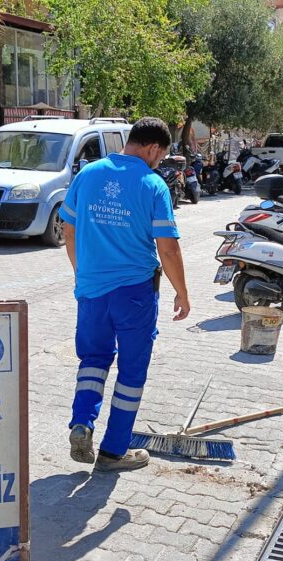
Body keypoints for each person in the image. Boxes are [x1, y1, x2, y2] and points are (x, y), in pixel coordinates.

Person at [61, 117, 190, 472]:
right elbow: (168, 248)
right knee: (131, 372)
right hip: (134, 293)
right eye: (161, 156)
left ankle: (81, 423)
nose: (159, 162)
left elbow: (67, 231)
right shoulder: (153, 185)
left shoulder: (87, 175)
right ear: (153, 148)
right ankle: (113, 452)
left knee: (93, 360)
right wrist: (183, 292)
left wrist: (82, 274)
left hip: (91, 291)